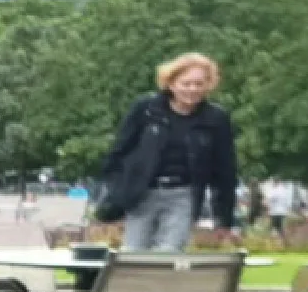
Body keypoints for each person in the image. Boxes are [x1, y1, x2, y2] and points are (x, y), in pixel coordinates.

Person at [99, 53, 239, 251]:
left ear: (208, 85)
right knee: (134, 253)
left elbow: (225, 171)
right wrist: (118, 192)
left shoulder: (216, 119)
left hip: (183, 195)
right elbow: (118, 153)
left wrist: (224, 218)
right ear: (171, 84)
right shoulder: (145, 110)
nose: (192, 89)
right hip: (143, 193)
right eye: (186, 83)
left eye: (199, 84)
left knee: (169, 254)